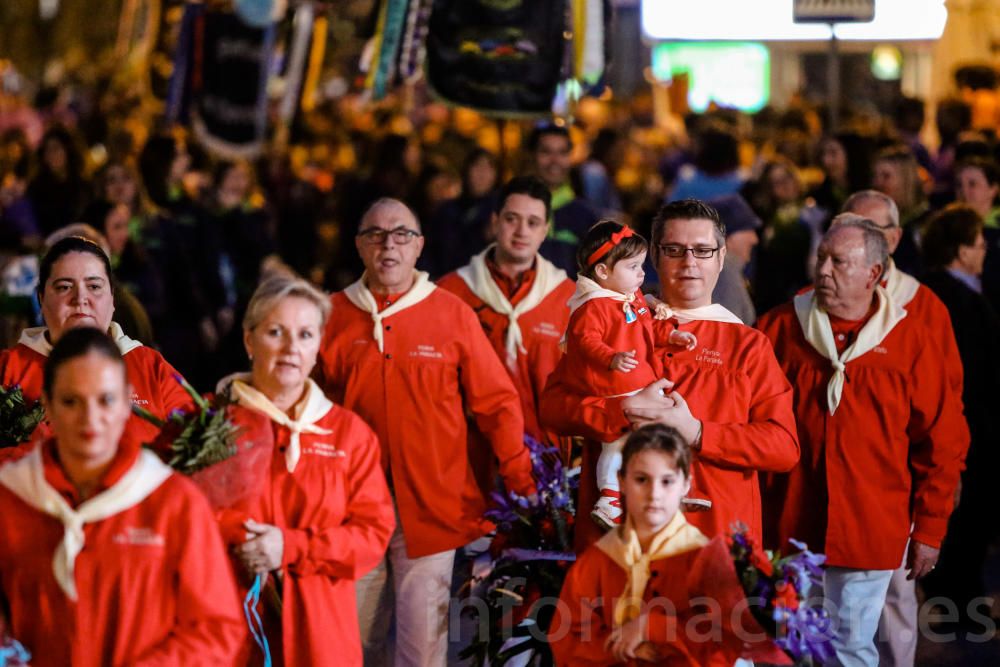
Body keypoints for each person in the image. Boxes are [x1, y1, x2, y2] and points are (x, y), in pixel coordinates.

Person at [316, 198, 536, 666]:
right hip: (351, 507)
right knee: (353, 646)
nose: (388, 244)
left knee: (422, 651)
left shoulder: (451, 314)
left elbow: (496, 402)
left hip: (432, 507)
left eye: (401, 235)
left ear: (419, 247)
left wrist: (520, 479)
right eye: (375, 234)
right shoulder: (330, 315)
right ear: (359, 246)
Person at [757, 220, 968, 667]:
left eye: (839, 262)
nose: (825, 271)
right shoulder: (781, 328)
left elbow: (942, 440)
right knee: (792, 646)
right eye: (821, 258)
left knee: (850, 649)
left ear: (873, 273)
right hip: (794, 520)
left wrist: (930, 529)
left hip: (871, 524)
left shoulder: (910, 339)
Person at [541, 199, 799, 551]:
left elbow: (783, 447)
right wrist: (618, 412)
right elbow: (553, 407)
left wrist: (697, 432)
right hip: (620, 542)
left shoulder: (747, 344)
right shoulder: (609, 321)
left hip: (712, 540)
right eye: (674, 249)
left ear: (722, 258)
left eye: (703, 250)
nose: (689, 262)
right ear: (655, 257)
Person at [0, 327, 244, 665]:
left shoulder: (172, 502)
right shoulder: (12, 496)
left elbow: (216, 628)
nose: (90, 418)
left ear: (126, 402)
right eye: (71, 401)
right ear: (48, 405)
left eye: (106, 399)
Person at [218, 275, 395, 666]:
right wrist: (240, 539)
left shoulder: (350, 435)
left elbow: (371, 535)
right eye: (275, 332)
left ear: (318, 347)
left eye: (305, 335)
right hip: (232, 623)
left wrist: (289, 547)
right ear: (249, 341)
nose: (290, 349)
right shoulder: (212, 427)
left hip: (321, 631)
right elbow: (183, 518)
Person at [839, 192, 965, 666]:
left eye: (869, 228)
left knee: (894, 596)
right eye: (848, 224)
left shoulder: (922, 304)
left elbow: (945, 405)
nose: (856, 237)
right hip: (841, 480)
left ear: (893, 238)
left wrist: (942, 486)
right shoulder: (817, 299)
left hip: (898, 480)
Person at [549, 424, 754, 666]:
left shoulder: (708, 561)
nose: (654, 494)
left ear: (686, 485)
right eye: (641, 479)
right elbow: (566, 641)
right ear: (621, 481)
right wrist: (621, 650)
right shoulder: (597, 561)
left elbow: (728, 645)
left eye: (667, 481)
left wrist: (654, 628)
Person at [0, 236, 193, 452]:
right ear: (41, 300)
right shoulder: (7, 369)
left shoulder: (151, 367)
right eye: (64, 287)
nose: (80, 297)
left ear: (112, 300)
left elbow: (196, 449)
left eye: (94, 286)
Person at [437, 176, 574, 470]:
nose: (522, 231)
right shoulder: (450, 293)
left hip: (545, 456)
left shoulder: (569, 299)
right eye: (512, 219)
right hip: (469, 456)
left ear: (546, 230)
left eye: (533, 222)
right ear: (495, 221)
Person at [564, 220, 695, 528]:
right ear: (603, 272)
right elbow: (584, 339)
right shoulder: (592, 306)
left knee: (662, 433)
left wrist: (672, 336)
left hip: (642, 381)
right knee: (618, 443)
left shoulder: (632, 298)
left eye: (641, 265)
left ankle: (671, 486)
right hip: (617, 387)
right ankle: (609, 499)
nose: (642, 273)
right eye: (633, 266)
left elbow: (647, 328)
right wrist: (610, 357)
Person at [919, 205, 1000, 629]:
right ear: (960, 249)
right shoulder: (956, 299)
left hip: (966, 421)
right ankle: (960, 604)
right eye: (977, 241)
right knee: (968, 518)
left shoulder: (940, 291)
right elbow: (968, 371)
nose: (984, 248)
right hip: (970, 424)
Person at [527, 124, 600, 276]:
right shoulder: (515, 210)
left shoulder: (585, 215)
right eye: (546, 152)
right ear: (532, 156)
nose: (555, 160)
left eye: (562, 153)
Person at [872, 145, 930, 277]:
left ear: (906, 180)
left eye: (886, 176)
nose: (877, 183)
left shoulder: (924, 225)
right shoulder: (876, 221)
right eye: (875, 176)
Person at [708, 194, 759, 325]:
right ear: (727, 237)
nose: (754, 238)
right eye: (747, 229)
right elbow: (730, 333)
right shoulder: (723, 273)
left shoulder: (726, 270)